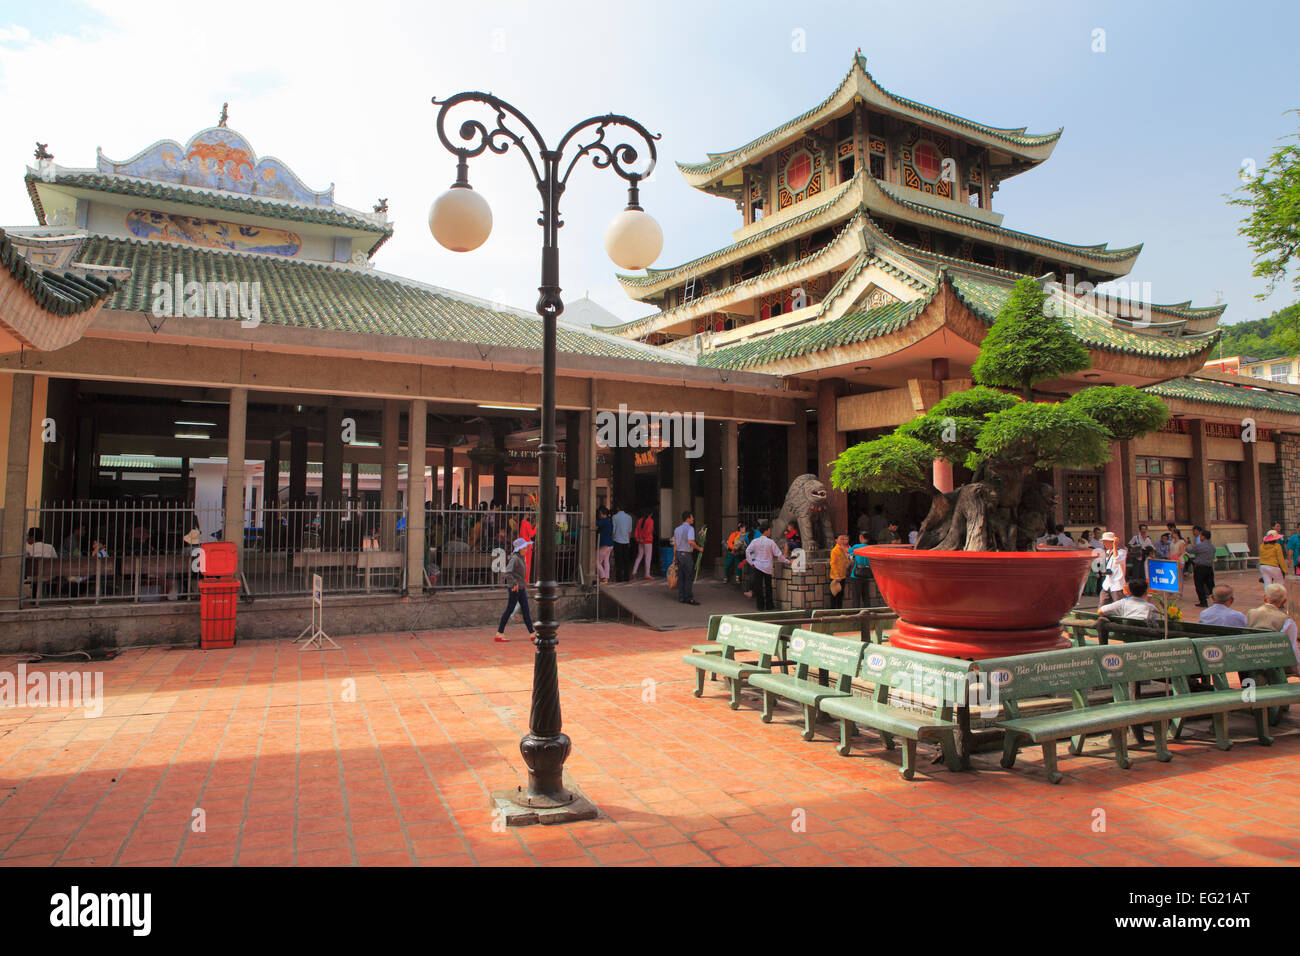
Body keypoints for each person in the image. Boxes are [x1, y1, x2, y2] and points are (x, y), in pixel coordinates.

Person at [1247, 584, 1299, 672]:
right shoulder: (1286, 620)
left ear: (1264, 598)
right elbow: (1293, 649)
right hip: (1276, 663)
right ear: (1284, 601)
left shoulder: (1251, 613)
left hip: (1253, 660)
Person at [494, 538, 536, 643]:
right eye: (524, 547)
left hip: (521, 588)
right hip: (515, 589)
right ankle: (499, 633)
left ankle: (532, 633)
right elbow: (507, 573)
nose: (526, 549)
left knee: (526, 610)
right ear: (519, 549)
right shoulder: (515, 559)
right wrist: (514, 584)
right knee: (509, 610)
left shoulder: (521, 558)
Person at [746, 520, 789, 611]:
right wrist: (787, 561)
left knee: (759, 587)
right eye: (769, 530)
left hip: (757, 566)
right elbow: (779, 555)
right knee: (768, 586)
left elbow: (747, 551)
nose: (770, 531)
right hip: (768, 567)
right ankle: (769, 605)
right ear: (766, 530)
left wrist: (752, 562)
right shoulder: (771, 542)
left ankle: (760, 606)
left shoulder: (755, 541)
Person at [673, 511, 703, 605]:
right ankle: (689, 598)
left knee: (681, 576)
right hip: (686, 555)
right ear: (688, 518)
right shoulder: (690, 529)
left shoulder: (677, 529)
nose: (693, 519)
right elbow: (690, 541)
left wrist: (674, 556)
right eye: (692, 517)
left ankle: (681, 597)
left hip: (678, 554)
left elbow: (675, 544)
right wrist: (699, 548)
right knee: (689, 577)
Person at [1099, 532, 1128, 605]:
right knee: (1103, 605)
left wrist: (1114, 545)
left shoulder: (1122, 552)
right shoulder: (1108, 552)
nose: (1105, 544)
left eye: (1106, 542)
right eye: (1104, 542)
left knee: (1118, 607)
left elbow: (1116, 559)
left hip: (1117, 584)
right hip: (1107, 584)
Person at [1191, 529, 1217, 607]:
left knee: (1199, 585)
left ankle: (1203, 602)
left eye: (1201, 536)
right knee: (1211, 585)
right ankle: (1217, 600)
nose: (1200, 537)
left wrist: (1185, 547)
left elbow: (1191, 551)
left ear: (1203, 537)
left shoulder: (1199, 546)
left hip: (1200, 568)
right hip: (1209, 567)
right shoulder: (1212, 546)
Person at [611, 504, 634, 583]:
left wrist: (612, 539)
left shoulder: (614, 517)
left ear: (618, 508)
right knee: (626, 560)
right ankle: (626, 577)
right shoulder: (629, 517)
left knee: (618, 560)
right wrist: (629, 541)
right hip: (626, 541)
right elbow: (630, 531)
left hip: (617, 541)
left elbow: (614, 530)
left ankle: (619, 578)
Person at [850, 531, 874, 607]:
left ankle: (856, 612)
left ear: (861, 537)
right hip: (867, 574)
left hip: (856, 574)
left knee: (856, 596)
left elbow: (848, 551)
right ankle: (868, 611)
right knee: (866, 595)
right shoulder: (871, 548)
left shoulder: (856, 546)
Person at [828, 533, 852, 609]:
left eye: (843, 539)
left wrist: (848, 564)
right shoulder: (834, 551)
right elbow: (833, 564)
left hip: (842, 575)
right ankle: (833, 611)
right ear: (836, 540)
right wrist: (836, 575)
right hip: (836, 577)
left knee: (841, 595)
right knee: (834, 595)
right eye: (841, 539)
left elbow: (845, 560)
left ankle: (839, 610)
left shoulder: (842, 549)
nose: (842, 540)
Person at [630, 510, 655, 580]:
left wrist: (638, 538)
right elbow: (648, 531)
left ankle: (633, 572)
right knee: (648, 558)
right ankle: (647, 574)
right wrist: (643, 538)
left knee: (639, 557)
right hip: (647, 541)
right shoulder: (650, 520)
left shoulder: (640, 520)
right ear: (651, 514)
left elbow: (636, 530)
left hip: (640, 541)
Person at [723, 521, 748, 586]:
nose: (742, 529)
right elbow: (730, 543)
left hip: (740, 553)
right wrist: (734, 548)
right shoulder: (734, 534)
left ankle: (738, 578)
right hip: (732, 552)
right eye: (741, 527)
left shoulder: (747, 535)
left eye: (744, 527)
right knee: (727, 564)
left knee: (738, 565)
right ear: (739, 528)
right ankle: (725, 577)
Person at [594, 507, 613, 584]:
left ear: (602, 514)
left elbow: (595, 523)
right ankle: (606, 577)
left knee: (596, 562)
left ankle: (603, 577)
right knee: (606, 561)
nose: (599, 515)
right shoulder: (608, 521)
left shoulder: (604, 521)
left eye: (599, 513)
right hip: (610, 544)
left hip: (604, 545)